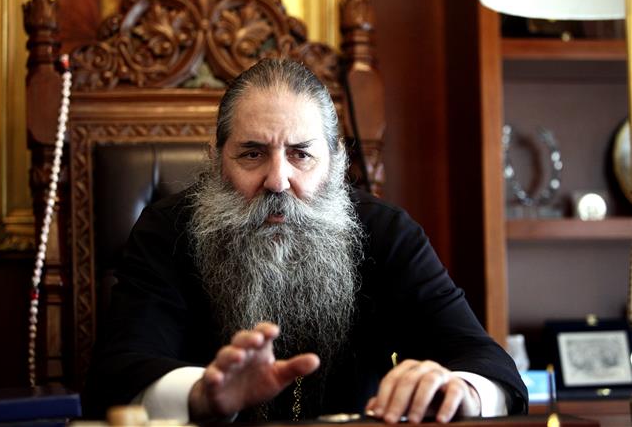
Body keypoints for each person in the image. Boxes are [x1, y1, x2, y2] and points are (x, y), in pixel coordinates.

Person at [83, 58, 528, 423]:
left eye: (301, 154)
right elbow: (115, 378)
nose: (278, 180)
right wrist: (203, 394)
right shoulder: (167, 230)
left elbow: (491, 369)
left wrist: (461, 391)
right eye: (252, 153)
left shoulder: (386, 233)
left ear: (334, 161)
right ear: (219, 160)